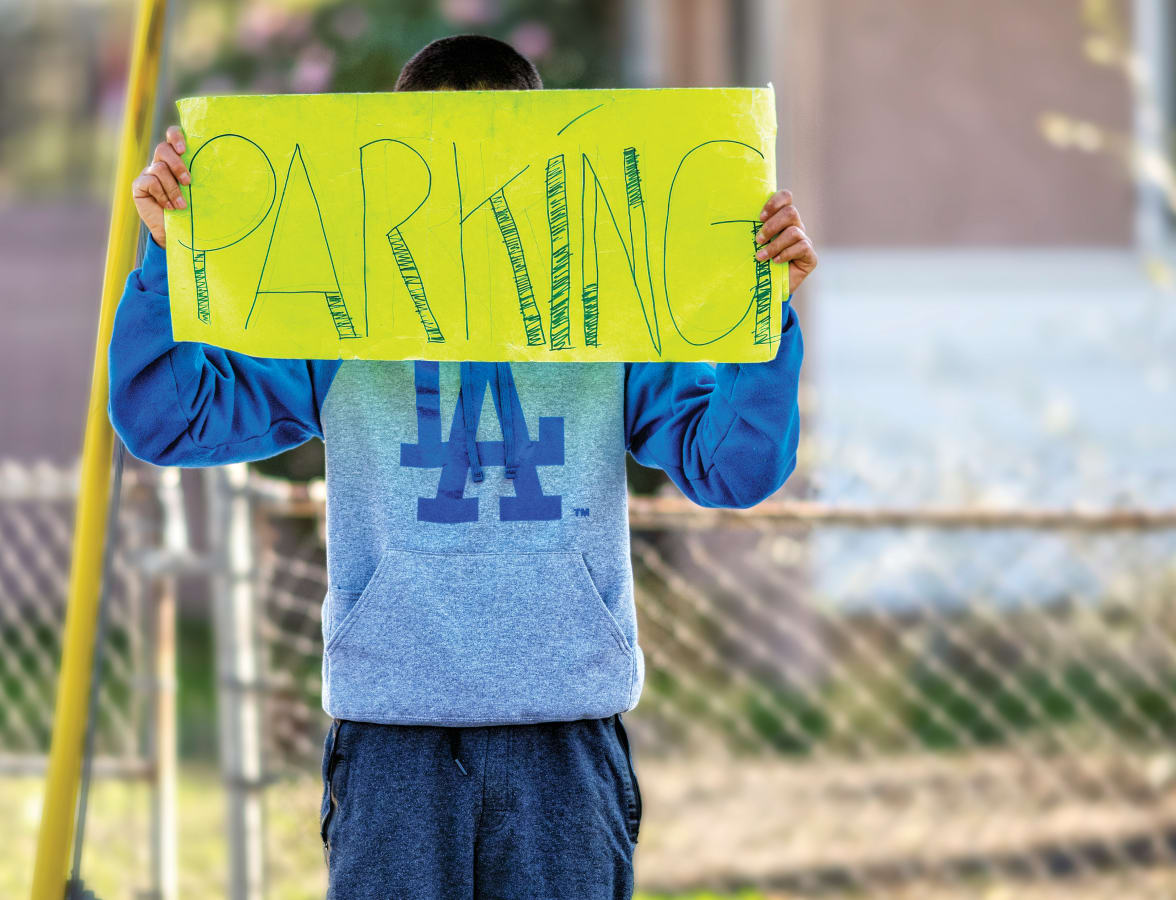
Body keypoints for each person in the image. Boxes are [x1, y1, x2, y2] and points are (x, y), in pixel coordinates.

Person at [111, 33, 816, 900]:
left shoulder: (616, 308)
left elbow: (733, 468)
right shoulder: (336, 308)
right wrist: (164, 255)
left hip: (564, 732)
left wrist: (762, 319)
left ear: (544, 154)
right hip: (393, 736)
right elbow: (165, 419)